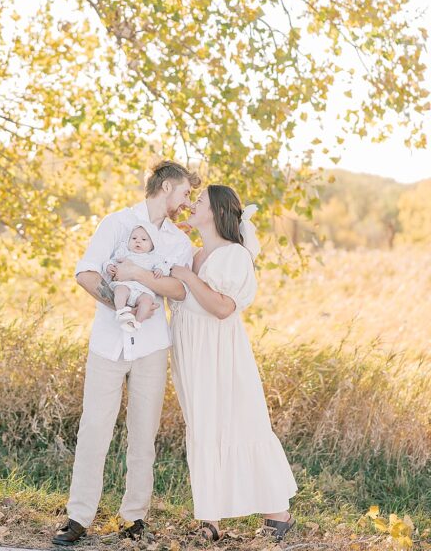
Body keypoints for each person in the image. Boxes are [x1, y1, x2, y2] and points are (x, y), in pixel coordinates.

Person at [54, 160, 199, 547]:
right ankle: (78, 516)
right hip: (107, 341)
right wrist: (119, 307)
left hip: (152, 345)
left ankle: (134, 517)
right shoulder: (115, 223)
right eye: (185, 191)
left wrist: (140, 279)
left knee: (143, 433)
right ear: (167, 186)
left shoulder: (179, 242)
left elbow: (180, 290)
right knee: (94, 428)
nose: (187, 201)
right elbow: (86, 273)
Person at [169, 185, 296, 541]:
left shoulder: (232, 255)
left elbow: (223, 308)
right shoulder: (193, 254)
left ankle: (278, 512)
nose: (192, 206)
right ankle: (209, 519)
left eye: (199, 202)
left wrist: (187, 277)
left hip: (220, 355)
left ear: (216, 212)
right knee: (204, 429)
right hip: (192, 354)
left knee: (239, 425)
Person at [107, 225, 172, 333]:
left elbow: (165, 267)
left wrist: (160, 269)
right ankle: (121, 311)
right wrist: (109, 266)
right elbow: (112, 261)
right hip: (127, 285)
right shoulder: (125, 254)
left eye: (144, 239)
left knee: (147, 301)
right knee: (120, 290)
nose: (138, 241)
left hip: (143, 291)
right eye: (134, 238)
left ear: (152, 245)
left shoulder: (154, 258)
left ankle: (137, 322)